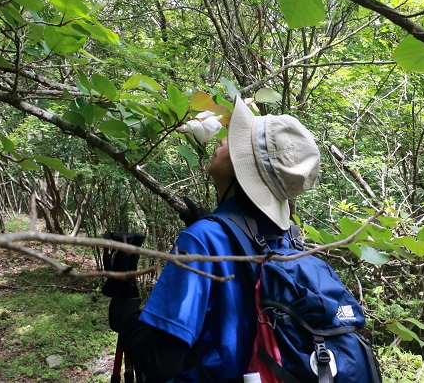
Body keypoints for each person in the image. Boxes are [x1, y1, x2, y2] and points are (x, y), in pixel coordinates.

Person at [107, 96, 321, 382]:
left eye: (237, 141)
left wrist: (126, 315)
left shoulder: (202, 241)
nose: (223, 140)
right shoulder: (288, 240)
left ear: (246, 168)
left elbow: (161, 360)